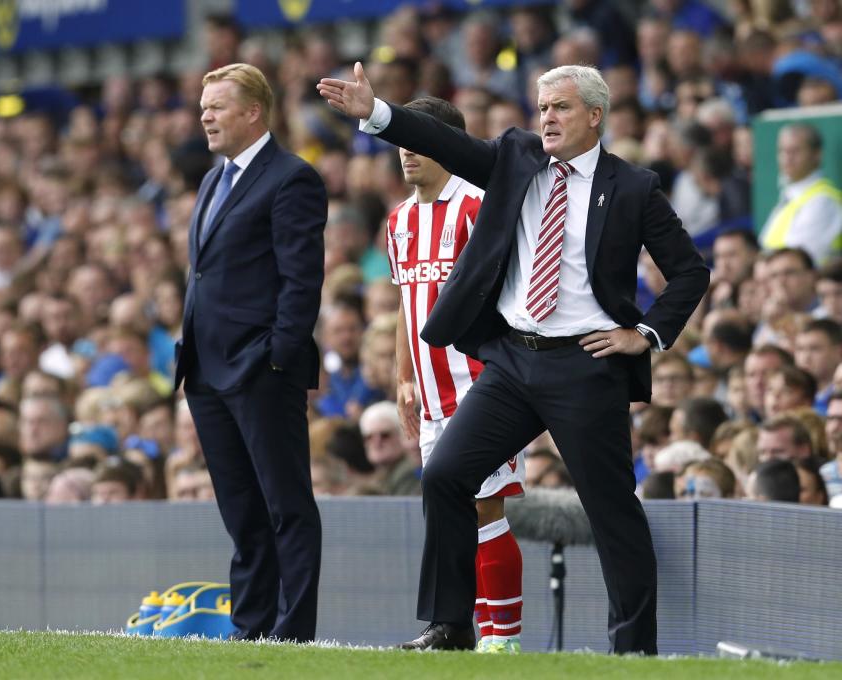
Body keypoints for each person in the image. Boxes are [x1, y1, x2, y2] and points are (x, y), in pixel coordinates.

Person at [319, 62, 709, 654]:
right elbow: (444, 141)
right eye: (543, 107)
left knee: (611, 510)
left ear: (595, 116)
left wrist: (646, 334)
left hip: (586, 364)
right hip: (512, 361)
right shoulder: (516, 158)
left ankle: (634, 649)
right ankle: (450, 627)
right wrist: (378, 114)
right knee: (446, 475)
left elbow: (689, 272)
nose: (547, 118)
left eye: (562, 108)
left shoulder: (632, 186)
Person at [175, 63, 327, 643]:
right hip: (207, 372)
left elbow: (301, 280)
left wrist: (278, 358)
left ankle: (293, 631)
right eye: (203, 105)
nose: (205, 116)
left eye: (217, 106)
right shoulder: (214, 180)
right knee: (241, 511)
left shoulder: (292, 178)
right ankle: (252, 624)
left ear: (254, 112)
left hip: (260, 369)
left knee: (285, 504)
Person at [387, 96, 524, 653]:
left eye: (420, 140)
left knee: (484, 505)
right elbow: (404, 303)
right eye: (402, 141)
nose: (407, 152)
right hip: (432, 393)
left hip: (483, 385)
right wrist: (403, 375)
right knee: (450, 511)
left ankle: (502, 639)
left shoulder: (478, 207)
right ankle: (454, 629)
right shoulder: (399, 220)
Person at [759, 124, 842, 264]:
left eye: (795, 151)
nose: (787, 158)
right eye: (782, 151)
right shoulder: (789, 197)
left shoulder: (823, 200)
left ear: (817, 155)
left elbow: (795, 259)